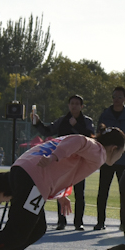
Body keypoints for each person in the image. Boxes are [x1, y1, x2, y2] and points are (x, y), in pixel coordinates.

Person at [31, 95, 95, 231]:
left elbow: (90, 137)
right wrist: (37, 122)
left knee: (79, 193)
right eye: (72, 103)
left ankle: (79, 222)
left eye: (77, 104)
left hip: (79, 161)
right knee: (61, 191)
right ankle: (61, 221)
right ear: (68, 105)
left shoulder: (87, 121)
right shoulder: (62, 120)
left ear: (82, 106)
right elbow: (48, 131)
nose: (74, 106)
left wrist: (76, 125)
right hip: (63, 161)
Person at [94, 87, 125, 230]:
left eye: (120, 97)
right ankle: (100, 222)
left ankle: (124, 222)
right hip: (107, 160)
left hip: (124, 161)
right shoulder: (105, 115)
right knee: (103, 191)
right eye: (114, 96)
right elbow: (99, 137)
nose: (116, 100)